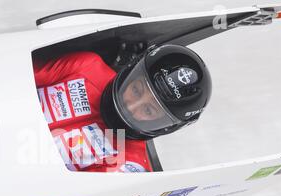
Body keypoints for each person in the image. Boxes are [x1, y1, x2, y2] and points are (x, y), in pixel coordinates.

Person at [34, 44, 212, 172]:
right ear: (131, 71)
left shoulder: (129, 165)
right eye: (136, 90)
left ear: (163, 125)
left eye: (148, 110)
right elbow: (16, 77)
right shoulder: (86, 67)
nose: (131, 107)